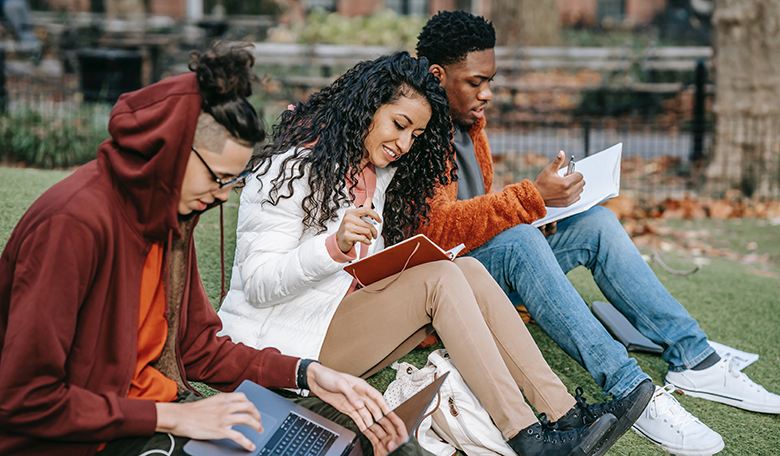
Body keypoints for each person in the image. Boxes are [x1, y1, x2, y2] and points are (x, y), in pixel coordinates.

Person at [0, 42, 412, 456]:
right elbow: (25, 396)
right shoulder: (72, 224)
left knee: (366, 434)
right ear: (171, 149)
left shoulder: (169, 221)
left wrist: (307, 374)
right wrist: (171, 418)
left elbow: (198, 349)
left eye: (231, 182)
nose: (220, 196)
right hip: (90, 440)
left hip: (161, 411)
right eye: (218, 178)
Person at [217, 51, 634, 456]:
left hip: (328, 325)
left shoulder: (372, 171)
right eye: (399, 125)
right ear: (367, 107)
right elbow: (257, 285)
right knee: (439, 280)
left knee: (465, 268)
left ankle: (562, 415)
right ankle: (526, 434)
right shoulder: (290, 168)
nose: (403, 144)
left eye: (414, 135)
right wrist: (334, 247)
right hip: (279, 352)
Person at [414, 10, 780, 456]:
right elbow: (432, 232)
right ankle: (631, 390)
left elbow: (476, 214)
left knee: (597, 224)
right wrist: (527, 200)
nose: (487, 92)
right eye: (476, 81)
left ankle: (694, 358)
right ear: (437, 74)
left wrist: (537, 207)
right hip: (446, 292)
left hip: (487, 262)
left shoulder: (470, 124)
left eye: (491, 79)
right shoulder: (415, 132)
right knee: (522, 243)